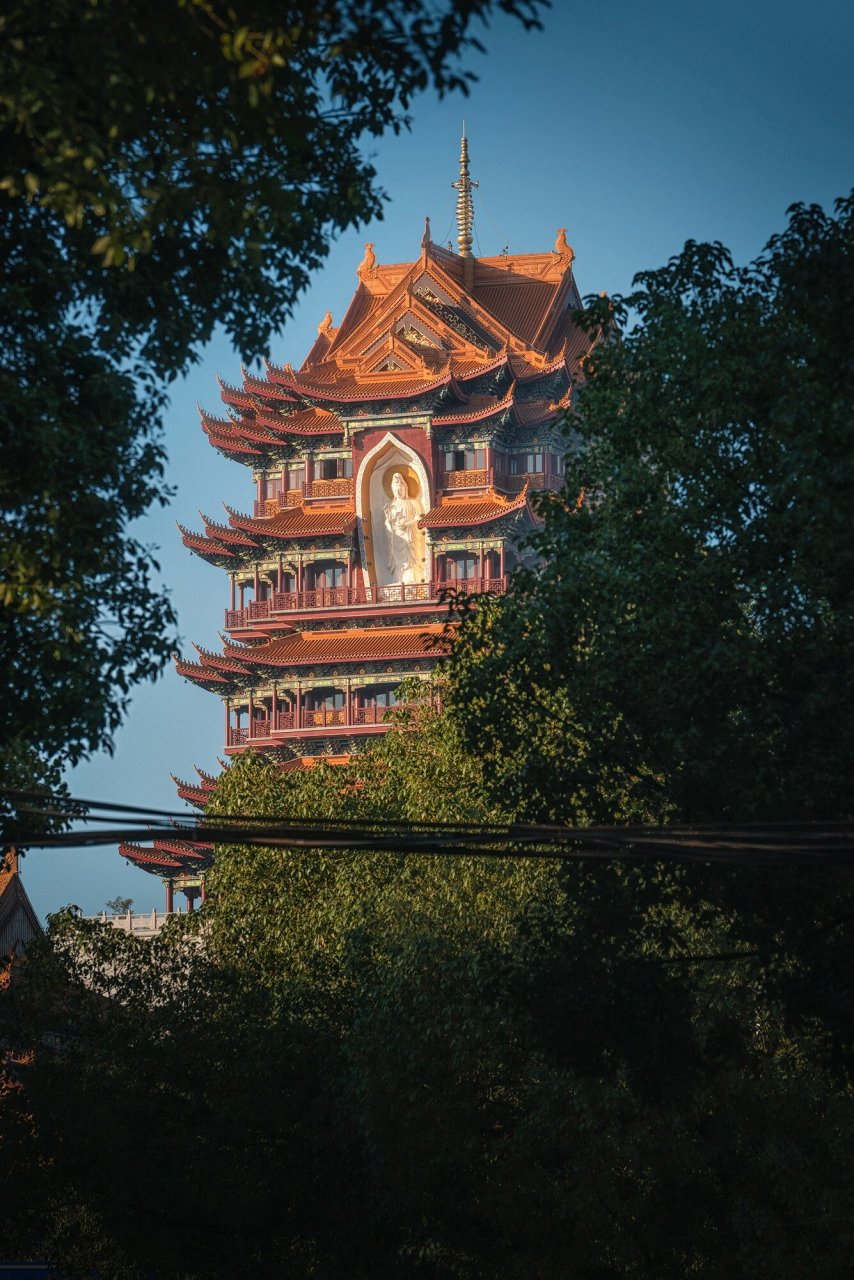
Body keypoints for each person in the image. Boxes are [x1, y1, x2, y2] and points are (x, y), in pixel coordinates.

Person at [383, 470, 424, 583]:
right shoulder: (391, 505)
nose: (399, 492)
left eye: (401, 489)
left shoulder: (412, 502)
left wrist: (407, 524)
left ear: (405, 488)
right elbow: (387, 522)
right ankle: (398, 579)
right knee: (398, 561)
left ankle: (411, 579)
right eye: (396, 490)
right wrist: (390, 524)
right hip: (396, 535)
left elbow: (420, 518)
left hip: (409, 534)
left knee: (409, 558)